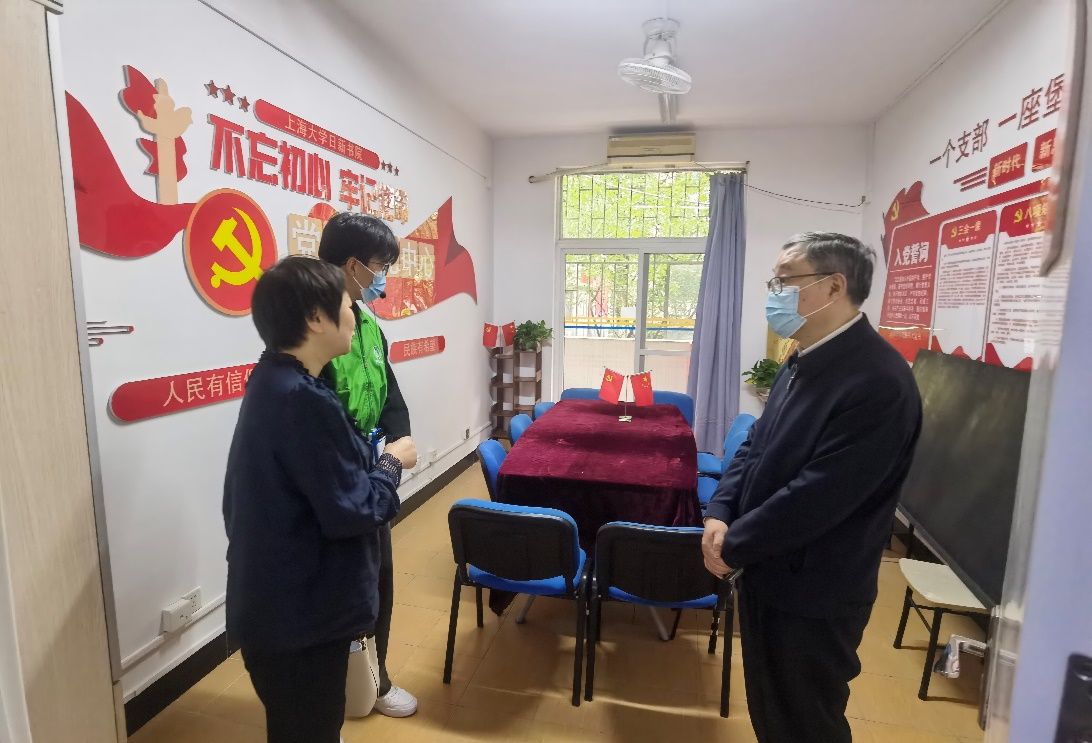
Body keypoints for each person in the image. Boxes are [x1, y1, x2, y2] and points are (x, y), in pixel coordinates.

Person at [701, 233, 922, 743]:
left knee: (806, 721)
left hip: (815, 590)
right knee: (771, 710)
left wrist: (733, 544)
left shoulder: (878, 381)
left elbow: (818, 496)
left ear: (833, 287)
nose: (774, 293)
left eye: (785, 281)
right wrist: (721, 510)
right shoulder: (802, 358)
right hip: (767, 570)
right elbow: (756, 444)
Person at [223, 257, 417, 743]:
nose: (354, 315)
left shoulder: (272, 381)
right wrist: (391, 464)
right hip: (299, 622)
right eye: (347, 305)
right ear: (315, 318)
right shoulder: (304, 401)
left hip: (276, 609)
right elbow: (356, 511)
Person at [317, 212, 417, 717]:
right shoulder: (313, 329)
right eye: (381, 266)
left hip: (372, 476)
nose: (384, 278)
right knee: (339, 593)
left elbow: (388, 390)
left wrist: (398, 440)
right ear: (353, 265)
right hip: (335, 483)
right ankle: (334, 693)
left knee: (379, 581)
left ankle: (376, 682)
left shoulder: (369, 323)